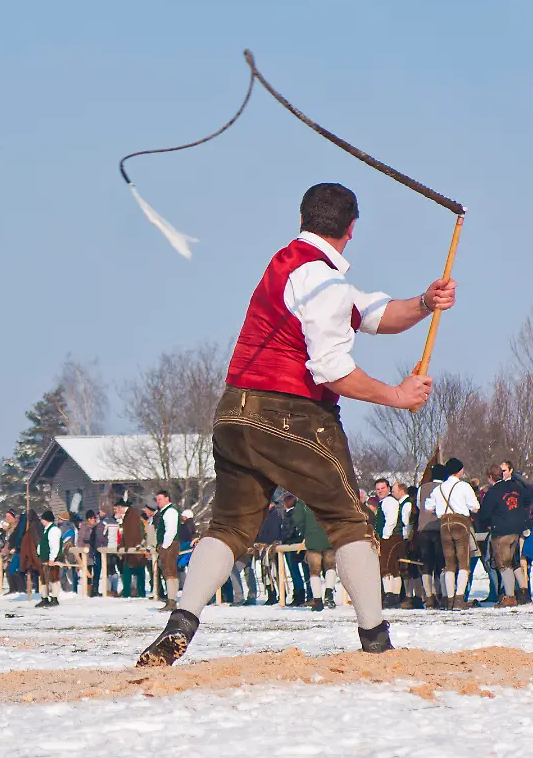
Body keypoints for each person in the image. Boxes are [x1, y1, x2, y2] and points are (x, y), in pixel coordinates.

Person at [139, 182, 455, 665]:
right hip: (290, 413)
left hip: (235, 414)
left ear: (304, 219)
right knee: (351, 523)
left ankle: (180, 625)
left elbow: (371, 312)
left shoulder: (292, 266)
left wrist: (423, 303)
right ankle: (376, 641)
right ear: (352, 228)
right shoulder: (323, 281)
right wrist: (396, 395)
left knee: (227, 527)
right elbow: (331, 369)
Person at [425, 458, 479, 610]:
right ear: (460, 470)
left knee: (449, 564)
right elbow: (475, 507)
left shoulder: (439, 488)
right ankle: (459, 600)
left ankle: (449, 599)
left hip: (444, 524)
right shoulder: (463, 486)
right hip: (460, 523)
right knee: (463, 562)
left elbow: (428, 506)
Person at [478, 461, 533, 607]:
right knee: (515, 562)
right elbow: (528, 499)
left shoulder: (493, 492)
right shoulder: (516, 486)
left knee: (503, 564)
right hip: (517, 529)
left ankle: (510, 596)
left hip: (501, 530)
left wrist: (485, 523)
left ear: (490, 477)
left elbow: (484, 514)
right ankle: (524, 592)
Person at [414, 464, 448, 607]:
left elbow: (418, 505)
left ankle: (428, 596)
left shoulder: (422, 488)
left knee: (426, 564)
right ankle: (441, 593)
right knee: (441, 563)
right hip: (440, 528)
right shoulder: (445, 488)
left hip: (424, 529)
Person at [375, 479, 406, 608]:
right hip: (393, 537)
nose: (380, 491)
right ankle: (394, 596)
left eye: (382, 488)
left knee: (386, 566)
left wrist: (385, 537)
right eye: (378, 489)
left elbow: (391, 520)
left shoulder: (389, 501)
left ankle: (390, 596)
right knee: (394, 568)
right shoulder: (386, 501)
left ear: (388, 488)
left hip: (391, 538)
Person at [153, 491, 181, 611]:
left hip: (170, 545)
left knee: (169, 573)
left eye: (160, 499)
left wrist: (164, 546)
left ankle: (171, 600)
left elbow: (171, 530)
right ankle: (171, 599)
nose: (158, 501)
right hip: (168, 544)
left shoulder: (170, 511)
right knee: (169, 572)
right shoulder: (165, 511)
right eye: (157, 499)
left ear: (167, 498)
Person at [35, 510, 63, 608]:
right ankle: (44, 598)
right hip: (44, 558)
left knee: (53, 578)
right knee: (43, 578)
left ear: (47, 519)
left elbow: (54, 545)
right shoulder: (46, 529)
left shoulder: (54, 530)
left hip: (51, 559)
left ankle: (54, 598)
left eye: (43, 519)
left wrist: (52, 558)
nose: (41, 521)